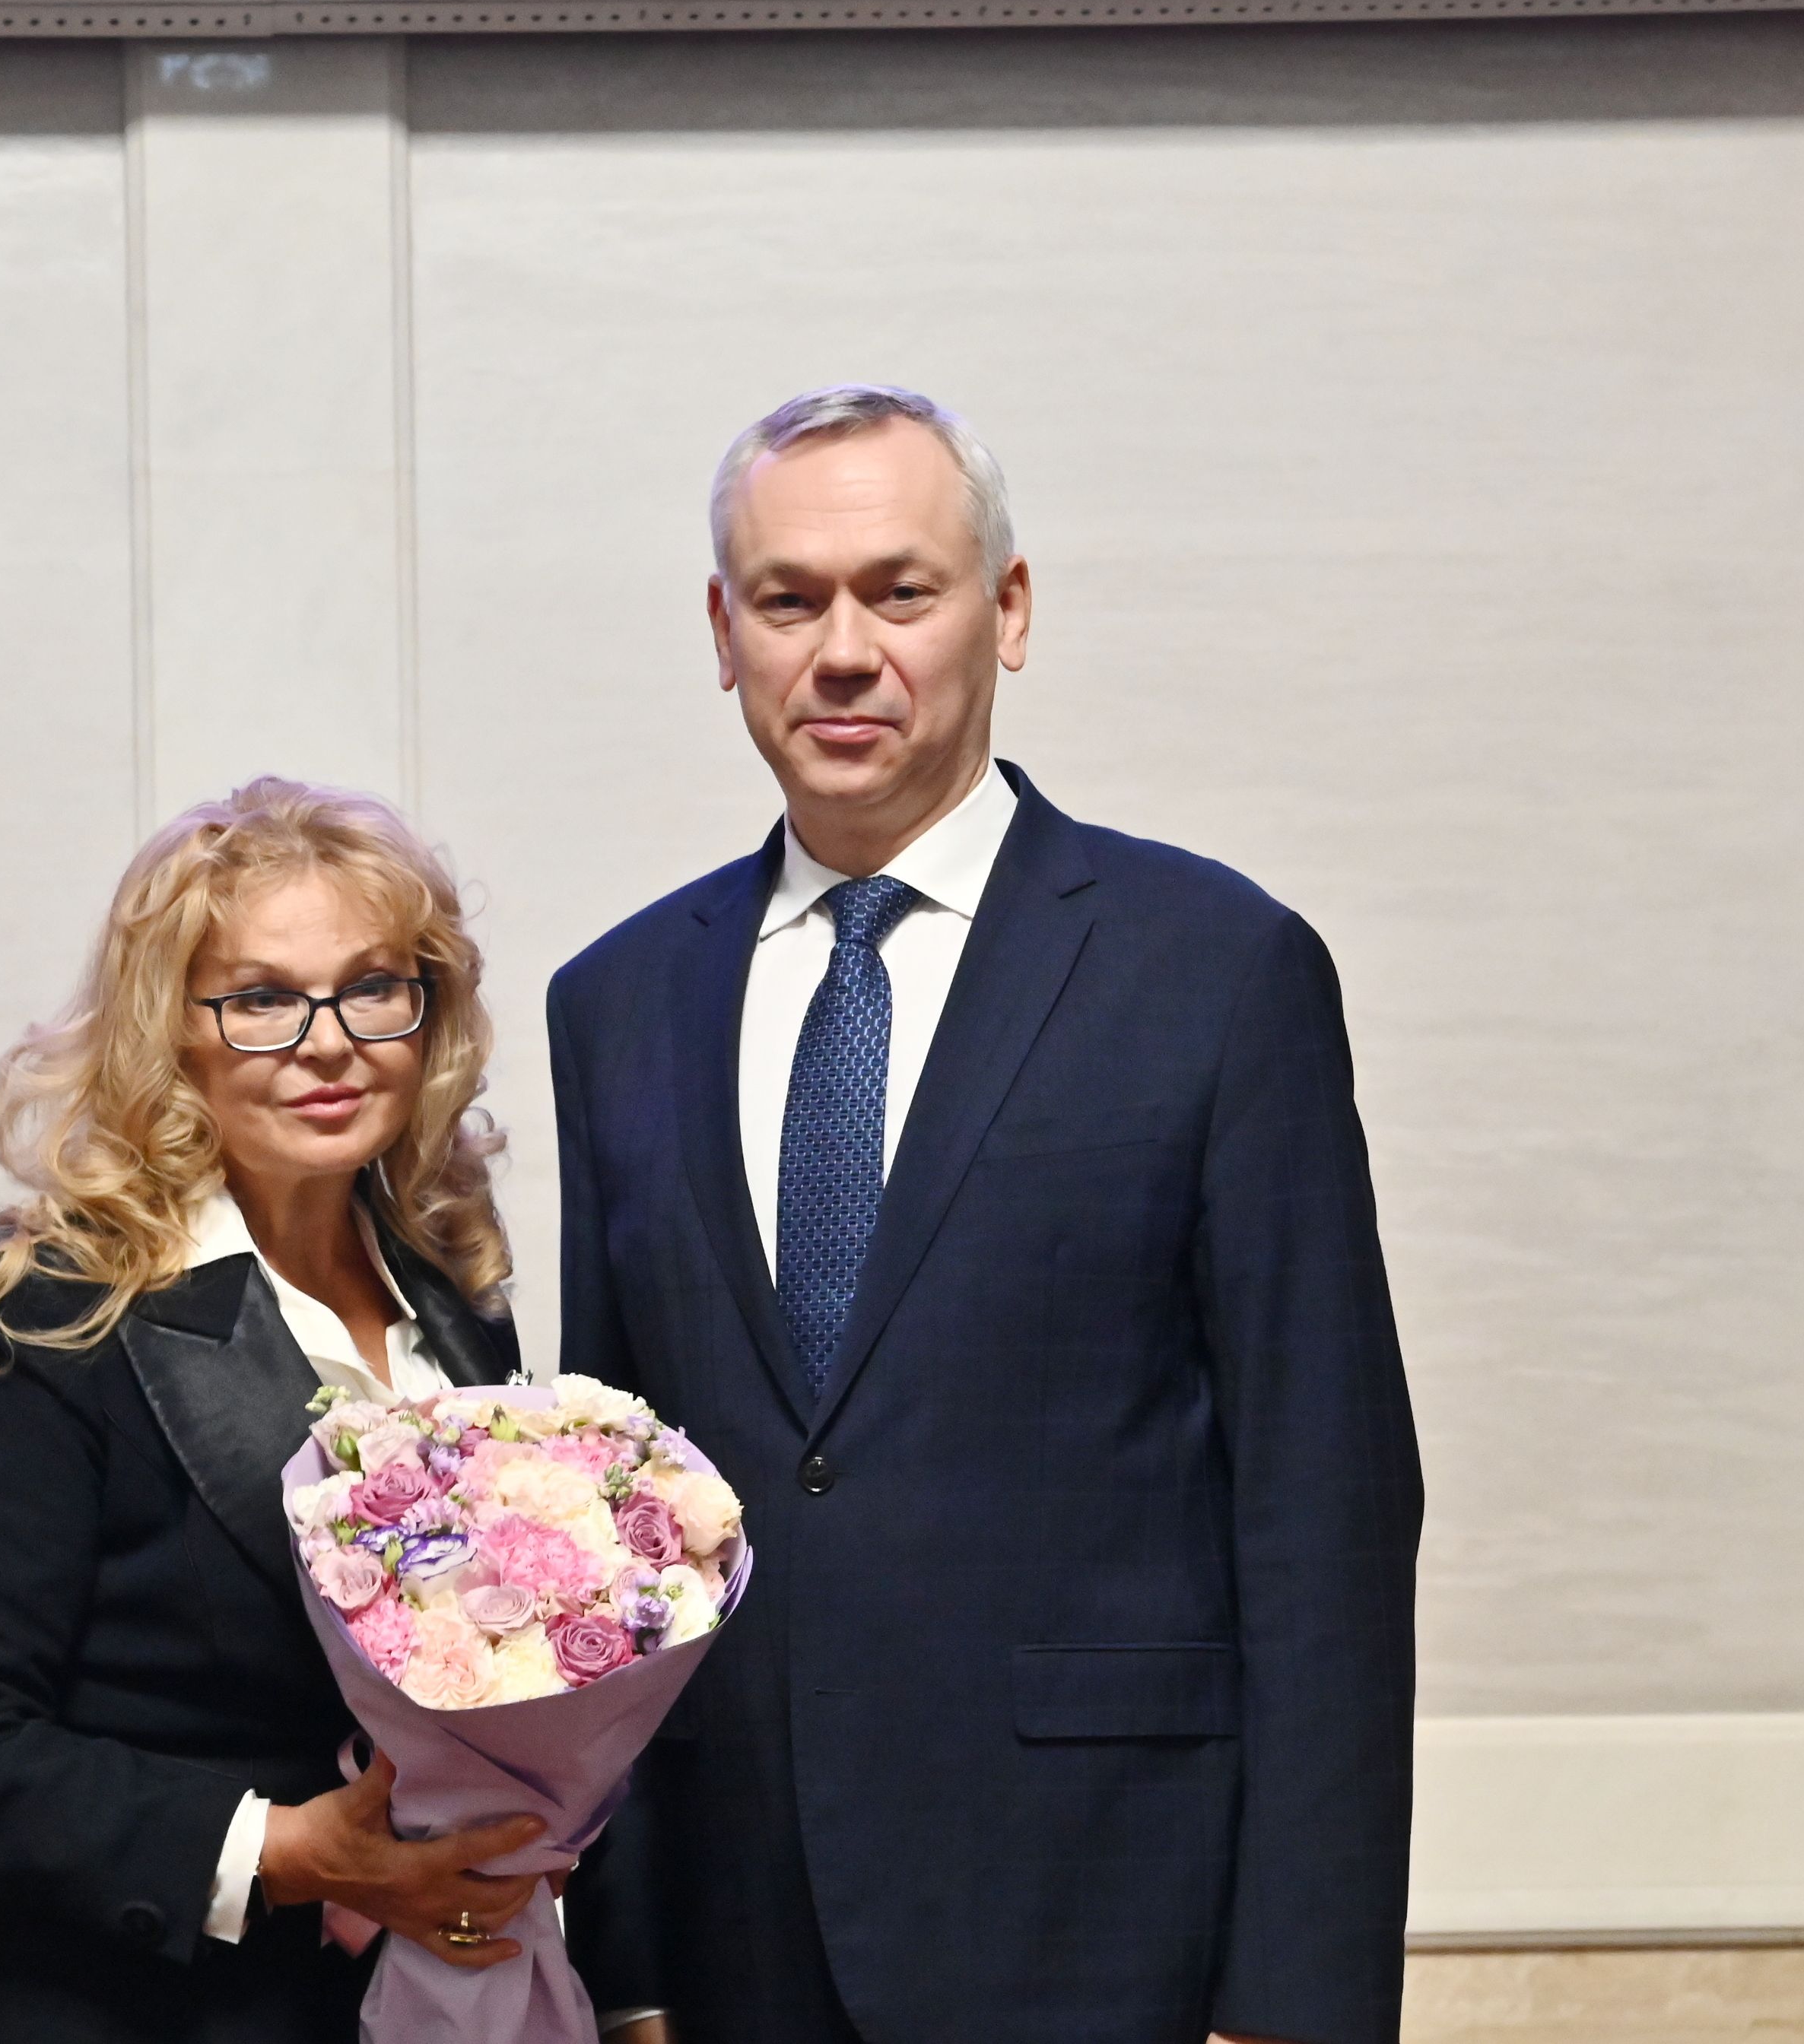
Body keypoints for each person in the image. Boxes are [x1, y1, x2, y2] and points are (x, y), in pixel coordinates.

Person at [552, 388, 1423, 2044]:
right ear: (724, 634)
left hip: (1110, 1920)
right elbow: (624, 1527)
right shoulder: (619, 1000)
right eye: (789, 600)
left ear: (1007, 611)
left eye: (902, 591)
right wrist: (630, 1965)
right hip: (737, 1939)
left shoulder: (1215, 970)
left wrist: (1294, 1998)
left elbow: (1325, 1510)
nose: (844, 652)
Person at [0, 777, 551, 2043]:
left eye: (373, 986)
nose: (328, 1042)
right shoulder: (51, 1312)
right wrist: (283, 1852)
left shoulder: (456, 1302)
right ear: (170, 1032)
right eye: (262, 999)